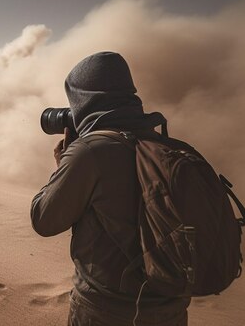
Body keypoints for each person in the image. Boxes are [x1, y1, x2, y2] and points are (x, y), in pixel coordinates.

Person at [30, 52, 190, 325]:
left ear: (85, 98)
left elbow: (43, 220)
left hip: (106, 310)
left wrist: (62, 166)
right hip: (171, 310)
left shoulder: (90, 152)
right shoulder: (168, 147)